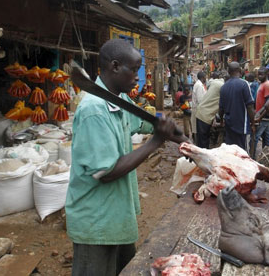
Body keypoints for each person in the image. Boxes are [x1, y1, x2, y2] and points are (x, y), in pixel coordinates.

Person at [66, 39, 186, 276]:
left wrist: (182, 140)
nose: (138, 77)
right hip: (96, 222)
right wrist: (156, 142)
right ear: (114, 66)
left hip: (117, 216)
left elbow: (143, 122)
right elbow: (106, 172)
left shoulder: (118, 101)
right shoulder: (94, 110)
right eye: (133, 69)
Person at [218, 62, 255, 151]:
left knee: (231, 152)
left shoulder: (223, 87)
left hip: (229, 125)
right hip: (242, 126)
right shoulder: (244, 84)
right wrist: (253, 123)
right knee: (243, 152)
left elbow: (221, 108)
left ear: (228, 71)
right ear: (240, 70)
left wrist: (222, 121)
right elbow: (249, 106)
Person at [196, 73, 225, 148]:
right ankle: (201, 158)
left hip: (202, 113)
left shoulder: (215, 83)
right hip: (205, 115)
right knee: (203, 142)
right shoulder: (222, 87)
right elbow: (222, 106)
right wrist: (221, 120)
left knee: (203, 140)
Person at [252, 67, 269, 158]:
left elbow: (268, 104)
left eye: (261, 74)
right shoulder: (262, 84)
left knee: (256, 136)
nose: (259, 76)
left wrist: (259, 116)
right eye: (258, 75)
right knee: (266, 137)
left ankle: (252, 156)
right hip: (262, 115)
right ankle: (267, 155)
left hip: (264, 116)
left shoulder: (267, 85)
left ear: (267, 74)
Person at [191, 71, 207, 140]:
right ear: (203, 77)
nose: (206, 78)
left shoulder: (199, 84)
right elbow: (200, 100)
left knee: (197, 128)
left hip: (197, 109)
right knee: (198, 129)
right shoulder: (199, 86)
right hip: (198, 110)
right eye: (205, 77)